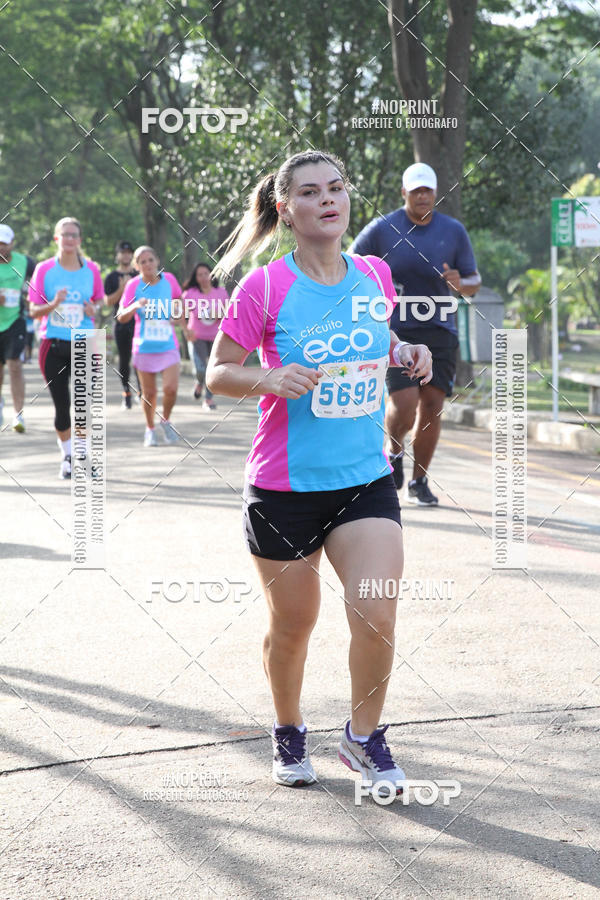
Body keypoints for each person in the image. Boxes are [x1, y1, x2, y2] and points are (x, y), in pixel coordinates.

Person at [206, 150, 432, 797]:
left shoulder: (375, 274)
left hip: (364, 478)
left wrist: (404, 352)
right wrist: (265, 376)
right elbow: (218, 371)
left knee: (376, 613)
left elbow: (378, 339)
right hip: (284, 487)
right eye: (311, 192)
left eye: (336, 188)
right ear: (287, 209)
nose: (328, 199)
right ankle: (287, 728)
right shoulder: (266, 287)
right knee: (293, 626)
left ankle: (364, 739)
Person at [350, 162, 481, 506]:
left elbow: (473, 282)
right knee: (405, 403)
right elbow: (350, 265)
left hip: (440, 328)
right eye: (416, 190)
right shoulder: (383, 228)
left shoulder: (453, 231)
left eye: (428, 191)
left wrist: (460, 283)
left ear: (436, 194)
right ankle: (393, 451)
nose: (422, 196)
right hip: (397, 328)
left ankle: (419, 481)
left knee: (433, 404)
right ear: (404, 193)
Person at [28, 217, 103, 478]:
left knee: (84, 404)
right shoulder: (44, 269)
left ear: (80, 240)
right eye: (65, 234)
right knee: (62, 405)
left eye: (74, 235)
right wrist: (54, 303)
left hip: (85, 342)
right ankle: (67, 455)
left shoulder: (91, 269)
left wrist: (95, 308)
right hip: (54, 344)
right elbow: (34, 310)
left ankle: (81, 455)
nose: (69, 239)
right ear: (56, 238)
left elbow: (99, 301)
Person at [117, 245, 183, 446]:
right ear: (137, 266)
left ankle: (166, 420)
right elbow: (121, 316)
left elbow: (179, 301)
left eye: (150, 260)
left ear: (157, 261)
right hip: (144, 346)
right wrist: (135, 306)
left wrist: (176, 315)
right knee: (150, 393)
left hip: (168, 344)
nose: (147, 264)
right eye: (142, 262)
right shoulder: (133, 286)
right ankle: (150, 428)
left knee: (171, 389)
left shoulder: (169, 280)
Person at [0, 224, 36, 432]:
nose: (1, 248)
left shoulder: (25, 262)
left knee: (15, 365)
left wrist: (33, 299)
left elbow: (38, 283)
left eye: (5, 244)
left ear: (12, 243)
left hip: (16, 320)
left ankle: (18, 414)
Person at [182, 262, 228, 410]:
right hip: (197, 337)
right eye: (199, 275)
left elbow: (230, 314)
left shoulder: (221, 292)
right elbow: (180, 314)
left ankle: (208, 399)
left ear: (212, 274)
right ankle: (199, 381)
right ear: (195, 278)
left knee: (211, 368)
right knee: (201, 369)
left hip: (216, 338)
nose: (203, 277)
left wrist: (219, 313)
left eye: (206, 273)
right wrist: (185, 330)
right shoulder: (190, 294)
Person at [104, 240, 140, 409]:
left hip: (139, 322)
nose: (126, 255)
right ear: (117, 255)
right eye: (123, 252)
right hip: (120, 323)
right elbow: (108, 301)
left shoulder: (139, 275)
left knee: (139, 358)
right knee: (124, 360)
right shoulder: (111, 277)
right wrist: (122, 288)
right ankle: (126, 392)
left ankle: (142, 392)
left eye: (128, 252)